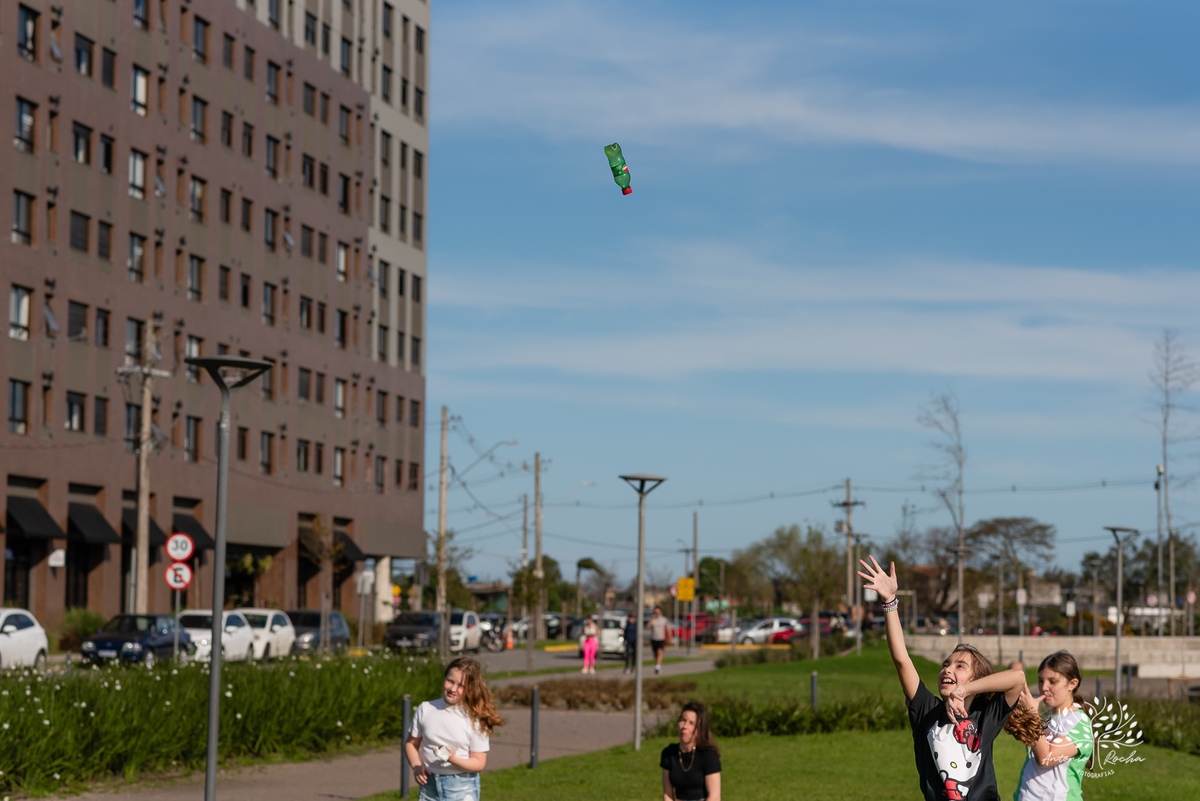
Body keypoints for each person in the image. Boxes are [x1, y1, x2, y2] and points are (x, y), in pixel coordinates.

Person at [858, 555, 1044, 801]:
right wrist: (889, 601)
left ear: (976, 680)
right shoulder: (926, 710)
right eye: (946, 664)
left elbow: (1017, 678)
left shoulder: (986, 715)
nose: (947, 669)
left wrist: (964, 691)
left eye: (960, 666)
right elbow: (902, 659)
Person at [405, 657, 504, 801]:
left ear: (470, 688)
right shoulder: (425, 709)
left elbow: (479, 763)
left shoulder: (475, 718)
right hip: (429, 786)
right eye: (450, 681)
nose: (453, 689)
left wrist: (452, 759)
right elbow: (411, 744)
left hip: (462, 786)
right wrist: (416, 765)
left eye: (461, 685)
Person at [1013, 650, 1093, 801]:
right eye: (1040, 680)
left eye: (1052, 681)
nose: (1044, 687)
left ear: (1072, 684)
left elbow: (1045, 758)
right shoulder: (1044, 718)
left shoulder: (1079, 722)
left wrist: (1032, 715)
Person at [661, 702, 721, 801]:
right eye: (683, 720)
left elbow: (715, 796)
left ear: (700, 728)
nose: (684, 726)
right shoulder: (669, 753)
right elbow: (667, 794)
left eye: (691, 723)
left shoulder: (708, 756)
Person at [649, 607, 671, 674]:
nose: (656, 614)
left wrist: (670, 638)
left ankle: (658, 666)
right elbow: (648, 626)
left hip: (661, 638)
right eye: (655, 612)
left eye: (658, 612)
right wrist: (652, 618)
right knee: (655, 654)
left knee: (659, 652)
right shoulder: (653, 619)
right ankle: (657, 666)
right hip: (653, 638)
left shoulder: (664, 619)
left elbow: (668, 629)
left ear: (660, 612)